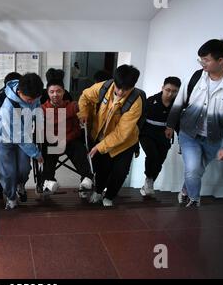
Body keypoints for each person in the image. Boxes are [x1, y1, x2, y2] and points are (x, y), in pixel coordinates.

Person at [166, 39, 223, 207]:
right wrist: (170, 125)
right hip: (189, 134)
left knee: (196, 171)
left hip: (214, 139)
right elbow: (179, 102)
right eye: (200, 59)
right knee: (192, 169)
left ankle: (185, 190)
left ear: (220, 60)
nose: (202, 63)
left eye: (206, 60)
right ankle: (194, 200)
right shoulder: (196, 76)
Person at [77, 65, 143, 207]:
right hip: (101, 137)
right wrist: (83, 113)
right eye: (118, 87)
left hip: (125, 142)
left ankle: (110, 196)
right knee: (102, 168)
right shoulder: (103, 87)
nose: (120, 92)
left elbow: (121, 133)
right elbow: (84, 97)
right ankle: (98, 192)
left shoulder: (136, 103)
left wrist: (99, 147)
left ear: (133, 86)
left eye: (125, 89)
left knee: (120, 171)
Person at [0, 73, 45, 210]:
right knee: (9, 172)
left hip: (23, 135)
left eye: (35, 99)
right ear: (19, 92)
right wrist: (36, 153)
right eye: (29, 100)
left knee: (24, 168)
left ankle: (21, 184)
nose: (32, 102)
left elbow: (37, 108)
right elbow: (19, 137)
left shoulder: (33, 94)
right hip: (4, 139)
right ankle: (11, 197)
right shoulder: (9, 107)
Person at [40, 75, 94, 198]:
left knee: (79, 148)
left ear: (64, 92)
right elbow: (41, 131)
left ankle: (86, 178)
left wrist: (65, 139)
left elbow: (77, 129)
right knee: (48, 150)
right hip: (51, 141)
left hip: (69, 140)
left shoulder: (72, 106)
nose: (55, 94)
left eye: (58, 91)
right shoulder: (42, 109)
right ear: (48, 93)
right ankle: (48, 180)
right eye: (52, 92)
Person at [139, 77, 181, 196]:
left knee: (159, 161)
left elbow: (178, 124)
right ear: (162, 88)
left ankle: (149, 182)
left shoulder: (177, 105)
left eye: (174, 91)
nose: (170, 93)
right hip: (146, 133)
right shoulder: (151, 100)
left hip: (164, 135)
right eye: (167, 90)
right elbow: (139, 118)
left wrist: (182, 141)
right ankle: (148, 177)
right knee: (152, 155)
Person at [0, 72, 22, 200]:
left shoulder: (23, 95)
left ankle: (16, 186)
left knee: (18, 164)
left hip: (19, 138)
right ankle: (1, 191)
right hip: (0, 138)